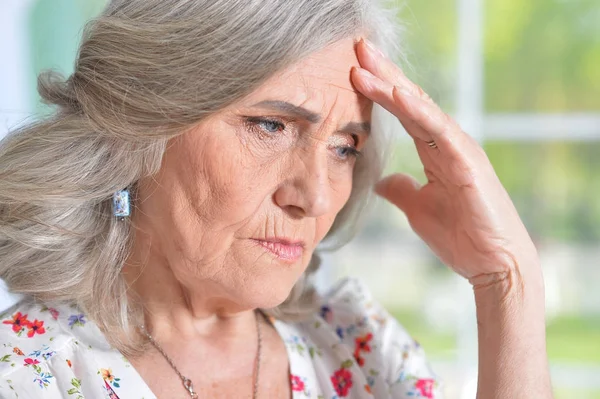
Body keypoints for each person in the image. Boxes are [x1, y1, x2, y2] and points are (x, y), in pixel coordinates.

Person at [0, 0, 553, 398]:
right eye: (270, 125)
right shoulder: (24, 374)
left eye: (345, 147)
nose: (314, 197)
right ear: (140, 124)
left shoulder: (358, 347)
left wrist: (509, 282)